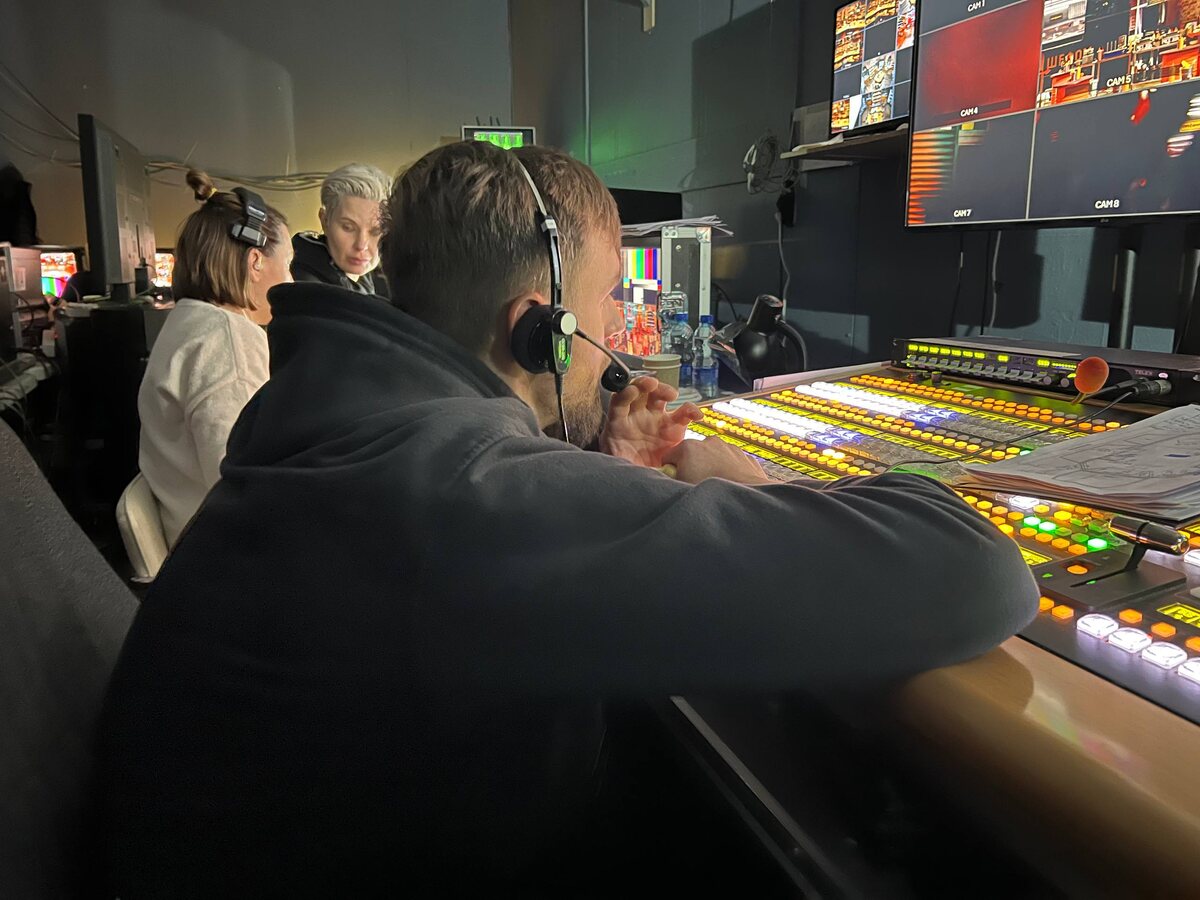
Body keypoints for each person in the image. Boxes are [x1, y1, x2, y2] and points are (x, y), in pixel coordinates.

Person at [97, 143, 1038, 895]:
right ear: (536, 327)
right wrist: (746, 486)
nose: (615, 334)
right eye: (606, 305)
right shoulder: (455, 493)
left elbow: (468, 568)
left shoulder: (337, 416)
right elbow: (974, 568)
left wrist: (605, 473)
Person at [136, 171, 291, 547]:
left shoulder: (189, 320)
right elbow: (244, 492)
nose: (290, 280)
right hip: (226, 556)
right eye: (288, 264)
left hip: (193, 536)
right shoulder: (227, 342)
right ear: (255, 261)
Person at [290, 162, 390, 297]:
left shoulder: (381, 282)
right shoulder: (302, 288)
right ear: (325, 221)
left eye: (376, 231)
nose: (361, 245)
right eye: (348, 227)